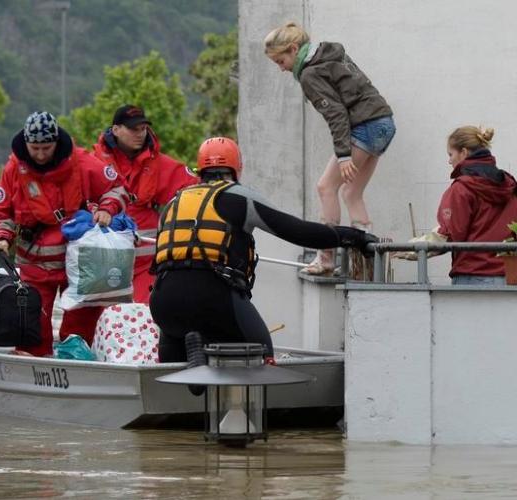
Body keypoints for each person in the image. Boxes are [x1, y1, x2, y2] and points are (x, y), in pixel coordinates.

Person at [149, 137, 377, 363]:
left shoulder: (173, 203)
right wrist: (352, 237)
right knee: (261, 358)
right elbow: (298, 231)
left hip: (164, 301)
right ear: (237, 168)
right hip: (213, 296)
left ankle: (194, 361)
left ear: (200, 171)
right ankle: (207, 366)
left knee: (172, 374)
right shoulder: (240, 196)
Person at [0, 111, 129, 356]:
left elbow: (116, 188)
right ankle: (34, 367)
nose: (40, 155)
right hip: (34, 264)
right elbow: (1, 212)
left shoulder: (83, 162)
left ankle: (77, 364)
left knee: (81, 327)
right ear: (26, 143)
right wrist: (0, 238)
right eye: (35, 148)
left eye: (46, 148)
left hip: (79, 261)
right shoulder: (13, 169)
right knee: (31, 327)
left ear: (56, 143)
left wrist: (107, 209)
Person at [264, 22, 395, 275]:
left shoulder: (309, 74)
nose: (281, 69)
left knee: (326, 187)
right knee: (351, 193)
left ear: (293, 49)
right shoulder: (330, 53)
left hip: (365, 125)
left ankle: (325, 257)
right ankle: (363, 259)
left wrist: (344, 154)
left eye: (280, 61)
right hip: (384, 122)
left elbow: (336, 114)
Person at [92, 105, 198, 303]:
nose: (140, 134)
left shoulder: (159, 163)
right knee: (101, 321)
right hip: (106, 260)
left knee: (146, 318)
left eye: (143, 129)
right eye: (133, 129)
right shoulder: (94, 162)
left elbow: (195, 190)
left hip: (146, 263)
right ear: (116, 130)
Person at [396, 126, 517, 285]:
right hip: (509, 279)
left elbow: (447, 236)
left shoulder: (462, 189)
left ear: (464, 153)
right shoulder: (510, 186)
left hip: (473, 277)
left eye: (450, 154)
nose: (449, 161)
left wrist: (408, 249)